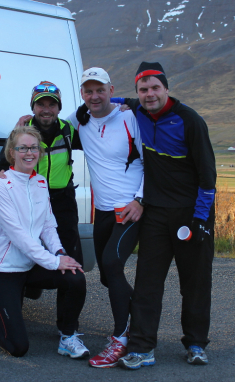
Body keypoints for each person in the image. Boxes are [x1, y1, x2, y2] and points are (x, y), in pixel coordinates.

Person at [111, 62, 217, 369]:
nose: (149, 94)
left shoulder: (189, 120)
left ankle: (196, 343)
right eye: (143, 90)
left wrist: (200, 219)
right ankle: (142, 348)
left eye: (155, 88)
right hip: (155, 211)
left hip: (191, 213)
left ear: (166, 88)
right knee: (147, 282)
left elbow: (208, 177)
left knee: (195, 282)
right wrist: (84, 109)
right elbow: (106, 101)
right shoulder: (138, 112)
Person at [0, 82, 88, 356]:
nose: (46, 109)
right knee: (23, 253)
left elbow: (101, 141)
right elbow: (0, 165)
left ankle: (68, 332)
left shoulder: (68, 131)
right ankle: (10, 315)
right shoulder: (20, 132)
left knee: (71, 267)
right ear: (33, 106)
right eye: (41, 104)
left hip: (58, 201)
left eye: (51, 104)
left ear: (58, 108)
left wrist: (58, 255)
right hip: (23, 195)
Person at [69, 68, 144, 368]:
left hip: (129, 210)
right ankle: (143, 316)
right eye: (88, 90)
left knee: (112, 264)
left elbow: (150, 161)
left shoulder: (130, 118)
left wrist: (140, 200)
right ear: (82, 94)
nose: (94, 95)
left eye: (99, 89)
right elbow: (47, 124)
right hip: (102, 212)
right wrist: (25, 122)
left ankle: (121, 338)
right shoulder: (80, 121)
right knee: (106, 275)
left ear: (111, 89)